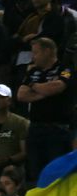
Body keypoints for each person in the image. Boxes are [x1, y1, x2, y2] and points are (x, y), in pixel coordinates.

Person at [17, 37, 74, 182]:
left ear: (47, 51)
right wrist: (45, 92)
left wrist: (34, 86)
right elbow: (21, 95)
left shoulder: (65, 68)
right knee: (35, 172)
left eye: (35, 53)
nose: (33, 57)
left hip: (57, 129)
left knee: (55, 174)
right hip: (35, 129)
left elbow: (58, 87)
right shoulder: (33, 71)